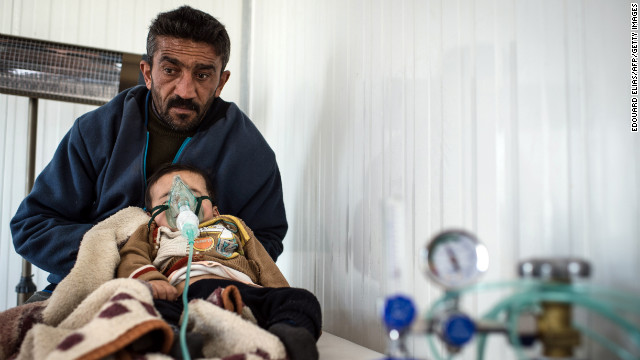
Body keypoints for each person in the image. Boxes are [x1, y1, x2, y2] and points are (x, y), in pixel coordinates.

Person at [10, 6, 287, 301]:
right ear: (147, 72)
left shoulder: (251, 152)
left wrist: (199, 265)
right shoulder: (94, 131)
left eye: (203, 75)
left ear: (221, 81)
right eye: (170, 70)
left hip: (200, 293)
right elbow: (31, 227)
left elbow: (264, 240)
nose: (185, 90)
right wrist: (130, 251)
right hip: (90, 287)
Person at [117, 163, 321, 360]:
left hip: (242, 291)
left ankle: (291, 332)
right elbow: (132, 256)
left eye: (194, 195)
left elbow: (263, 262)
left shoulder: (231, 225)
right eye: (165, 200)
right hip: (182, 295)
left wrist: (278, 292)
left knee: (302, 299)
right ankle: (175, 339)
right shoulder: (153, 232)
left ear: (215, 211)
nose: (181, 203)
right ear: (150, 215)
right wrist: (152, 280)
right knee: (149, 308)